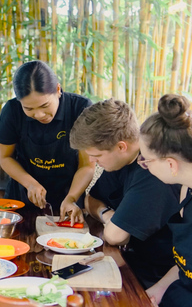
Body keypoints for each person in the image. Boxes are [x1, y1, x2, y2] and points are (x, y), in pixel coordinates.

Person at [69, 98, 180, 289]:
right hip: (128, 260)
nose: (93, 162)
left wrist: (110, 221)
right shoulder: (121, 162)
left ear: (121, 147)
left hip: (157, 278)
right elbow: (90, 200)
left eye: (97, 156)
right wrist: (108, 215)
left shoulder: (152, 171)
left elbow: (115, 236)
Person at [0, 60, 95, 224]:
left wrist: (71, 198)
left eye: (44, 105)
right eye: (29, 109)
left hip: (68, 196)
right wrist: (30, 184)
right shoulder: (12, 111)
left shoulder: (80, 108)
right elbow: (5, 157)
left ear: (57, 90)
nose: (39, 115)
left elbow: (87, 165)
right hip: (22, 198)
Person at [139, 94, 192, 306]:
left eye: (146, 160)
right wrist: (153, 293)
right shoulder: (185, 192)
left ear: (170, 164)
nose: (144, 165)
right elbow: (183, 267)